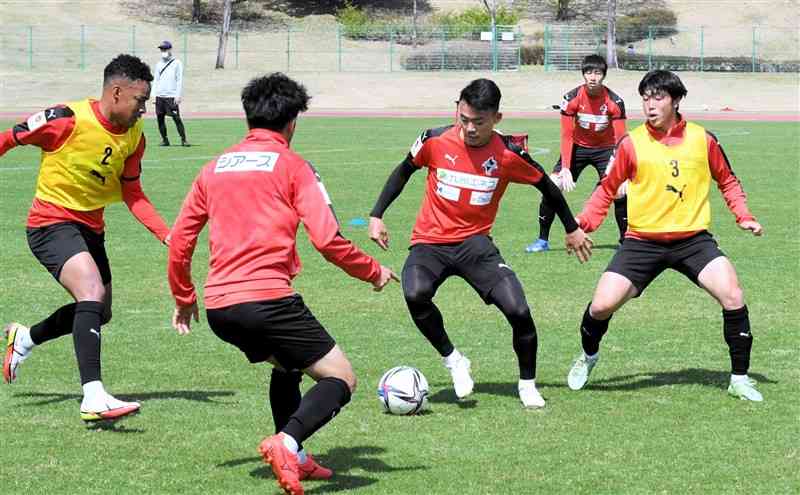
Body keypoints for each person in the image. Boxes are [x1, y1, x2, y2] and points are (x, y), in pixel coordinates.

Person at [167, 72, 397, 495]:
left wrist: (184, 296)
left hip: (220, 308)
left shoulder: (213, 167)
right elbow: (327, 239)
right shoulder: (294, 166)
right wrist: (373, 271)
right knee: (341, 379)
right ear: (293, 121)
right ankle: (287, 443)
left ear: (248, 118)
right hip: (268, 301)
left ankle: (298, 457)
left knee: (288, 366)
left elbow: (180, 241)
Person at [368, 78, 593, 409]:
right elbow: (403, 171)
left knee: (518, 310)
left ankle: (527, 385)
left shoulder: (509, 154)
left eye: (479, 122)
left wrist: (572, 228)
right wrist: (377, 214)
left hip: (476, 245)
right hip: (430, 241)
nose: (470, 128)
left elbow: (548, 187)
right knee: (415, 293)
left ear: (497, 119)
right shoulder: (433, 140)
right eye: (464, 118)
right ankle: (454, 360)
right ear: (457, 110)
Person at [566, 70, 765, 402]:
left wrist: (743, 216)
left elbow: (728, 181)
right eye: (645, 99)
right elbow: (607, 189)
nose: (649, 105)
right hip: (642, 241)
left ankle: (739, 379)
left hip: (692, 241)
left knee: (733, 295)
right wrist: (583, 222)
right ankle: (588, 356)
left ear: (675, 100)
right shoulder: (631, 143)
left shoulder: (704, 139)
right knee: (601, 306)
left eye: (657, 97)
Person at [1, 54, 171, 421]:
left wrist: (166, 234)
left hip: (91, 228)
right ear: (117, 91)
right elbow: (9, 138)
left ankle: (26, 338)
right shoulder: (65, 119)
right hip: (50, 223)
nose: (144, 109)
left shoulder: (135, 136)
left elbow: (133, 193)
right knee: (90, 292)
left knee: (100, 310)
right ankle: (93, 396)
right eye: (140, 100)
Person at [525, 54, 628, 253]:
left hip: (605, 150)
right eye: (589, 72)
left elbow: (621, 139)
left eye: (597, 73)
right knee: (552, 186)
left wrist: (618, 167)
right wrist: (565, 168)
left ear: (604, 76)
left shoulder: (615, 102)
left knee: (621, 190)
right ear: (583, 74)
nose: (592, 77)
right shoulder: (571, 98)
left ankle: (625, 241)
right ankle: (542, 240)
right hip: (577, 148)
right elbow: (566, 135)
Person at [154, 40, 189, 147]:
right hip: (160, 96)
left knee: (176, 118)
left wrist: (177, 95)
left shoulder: (177, 63)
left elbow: (179, 80)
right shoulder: (159, 64)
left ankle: (184, 140)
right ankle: (165, 140)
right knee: (160, 119)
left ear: (170, 50)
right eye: (161, 49)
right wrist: (154, 95)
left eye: (165, 49)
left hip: (171, 96)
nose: (163, 51)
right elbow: (156, 80)